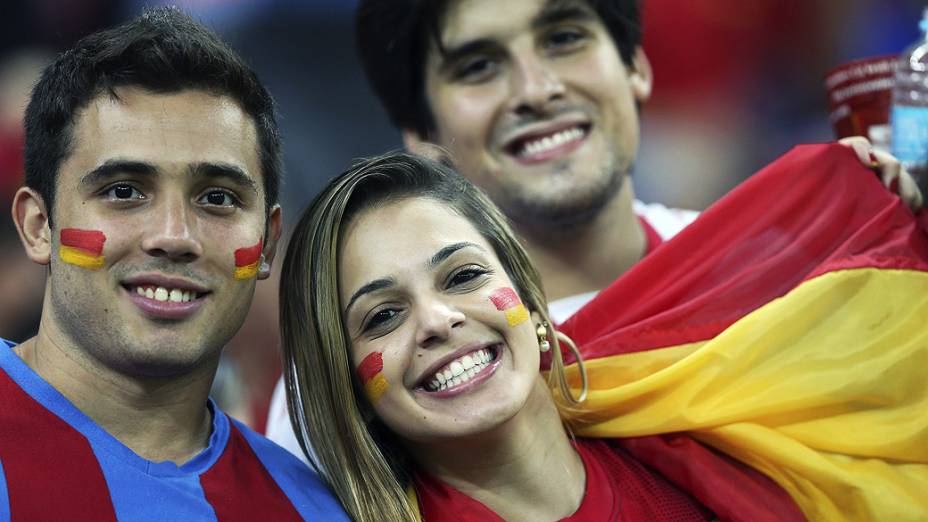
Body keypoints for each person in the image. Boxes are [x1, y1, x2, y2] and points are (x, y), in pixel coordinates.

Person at [266, 0, 922, 462]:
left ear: (635, 66)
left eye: (564, 38)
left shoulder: (791, 285)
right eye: (478, 67)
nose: (537, 88)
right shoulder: (341, 386)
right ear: (423, 136)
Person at [280, 150, 928, 521]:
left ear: (533, 306)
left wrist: (885, 220)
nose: (437, 320)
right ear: (349, 384)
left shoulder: (692, 426)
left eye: (464, 275)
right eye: (382, 317)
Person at [3, 8, 347, 519]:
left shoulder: (312, 509)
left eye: (218, 198)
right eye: (123, 191)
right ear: (38, 226)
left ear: (268, 244)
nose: (174, 237)